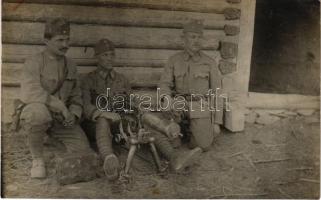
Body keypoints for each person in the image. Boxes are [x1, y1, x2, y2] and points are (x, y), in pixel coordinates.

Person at [81, 39, 202, 180]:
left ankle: (175, 158)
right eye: (105, 55)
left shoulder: (121, 80)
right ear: (97, 57)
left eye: (111, 54)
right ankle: (109, 160)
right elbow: (85, 106)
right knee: (103, 120)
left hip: (119, 123)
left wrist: (140, 110)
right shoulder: (88, 80)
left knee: (143, 121)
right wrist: (103, 113)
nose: (109, 58)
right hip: (95, 125)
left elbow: (133, 100)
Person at [19, 18, 93, 179]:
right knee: (37, 114)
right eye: (60, 40)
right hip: (41, 112)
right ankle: (37, 159)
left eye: (67, 40)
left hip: (62, 118)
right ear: (46, 40)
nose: (65, 44)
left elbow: (76, 95)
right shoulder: (34, 61)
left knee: (83, 150)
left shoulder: (71, 65)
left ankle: (48, 141)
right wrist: (59, 105)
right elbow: (29, 92)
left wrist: (73, 114)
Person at [158, 20, 224, 151]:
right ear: (184, 39)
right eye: (192, 37)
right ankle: (180, 129)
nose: (197, 40)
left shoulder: (209, 63)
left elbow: (217, 92)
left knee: (202, 146)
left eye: (199, 37)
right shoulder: (174, 60)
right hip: (178, 105)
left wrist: (217, 122)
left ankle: (190, 130)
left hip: (199, 106)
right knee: (171, 144)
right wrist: (166, 99)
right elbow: (164, 84)